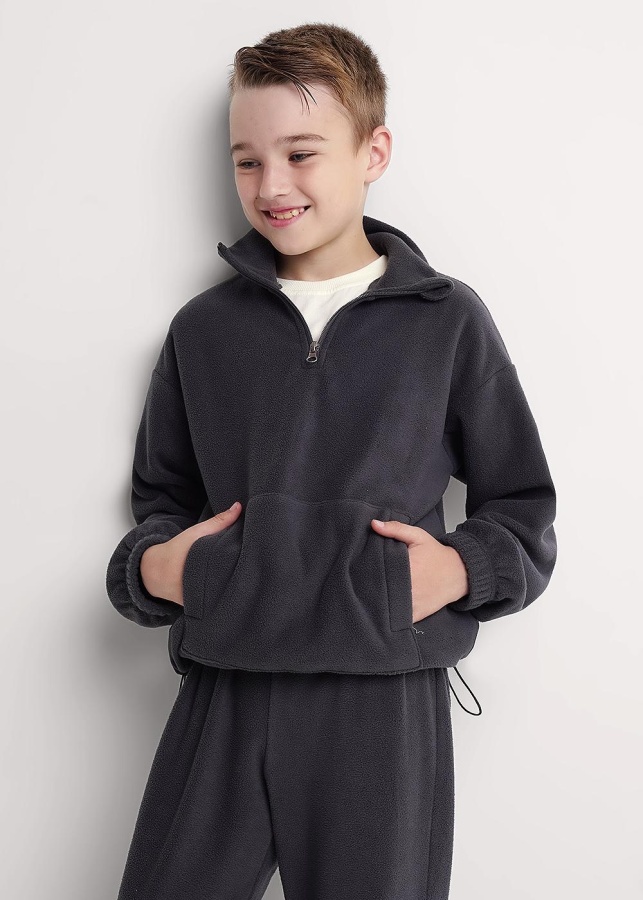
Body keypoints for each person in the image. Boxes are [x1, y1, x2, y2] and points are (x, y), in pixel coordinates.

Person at [106, 21, 557, 900]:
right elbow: (161, 499)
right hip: (228, 679)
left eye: (301, 154)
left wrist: (457, 570)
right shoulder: (204, 330)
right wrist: (157, 568)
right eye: (247, 161)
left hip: (381, 696)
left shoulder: (446, 321)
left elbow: (521, 504)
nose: (271, 185)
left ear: (372, 152)